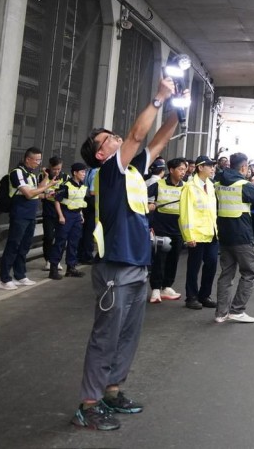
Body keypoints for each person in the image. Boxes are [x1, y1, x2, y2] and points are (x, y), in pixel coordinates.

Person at [72, 77, 182, 431]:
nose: (118, 136)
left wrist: (177, 108)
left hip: (137, 264)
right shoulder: (107, 170)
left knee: (128, 335)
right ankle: (88, 404)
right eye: (109, 138)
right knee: (105, 336)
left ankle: (112, 390)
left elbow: (160, 138)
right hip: (115, 267)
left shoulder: (132, 171)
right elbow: (136, 137)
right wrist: (158, 97)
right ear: (101, 153)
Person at [213, 153, 254, 323]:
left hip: (224, 235)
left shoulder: (218, 183)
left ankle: (221, 313)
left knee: (226, 274)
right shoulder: (243, 185)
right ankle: (237, 310)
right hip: (242, 235)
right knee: (249, 272)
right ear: (243, 167)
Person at [0, 147, 58, 290]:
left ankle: (20, 275)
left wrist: (46, 180)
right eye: (36, 160)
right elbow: (29, 194)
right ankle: (4, 278)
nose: (38, 162)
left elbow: (36, 192)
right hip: (20, 215)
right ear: (27, 159)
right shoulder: (17, 173)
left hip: (30, 215)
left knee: (24, 246)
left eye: (40, 160)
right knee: (13, 245)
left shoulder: (31, 175)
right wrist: (48, 185)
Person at [180, 155, 218, 310]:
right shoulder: (190, 187)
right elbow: (186, 213)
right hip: (196, 234)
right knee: (193, 268)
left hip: (211, 232)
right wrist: (189, 236)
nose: (212, 169)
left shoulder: (210, 185)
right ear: (200, 167)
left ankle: (204, 295)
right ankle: (191, 297)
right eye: (209, 166)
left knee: (211, 265)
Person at [147, 157, 186, 303]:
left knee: (174, 259)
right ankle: (156, 289)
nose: (183, 172)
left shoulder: (186, 187)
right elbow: (144, 198)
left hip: (179, 229)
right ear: (171, 170)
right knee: (159, 258)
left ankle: (167, 286)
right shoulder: (158, 185)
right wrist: (150, 205)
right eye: (180, 169)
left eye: (184, 169)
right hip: (161, 228)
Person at [48, 162, 88, 280]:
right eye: (82, 172)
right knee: (60, 242)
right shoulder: (66, 185)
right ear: (75, 173)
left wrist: (81, 215)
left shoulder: (82, 185)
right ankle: (53, 269)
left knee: (74, 242)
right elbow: (56, 200)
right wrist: (60, 216)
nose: (84, 174)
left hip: (76, 215)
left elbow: (79, 202)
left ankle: (71, 268)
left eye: (84, 172)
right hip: (66, 215)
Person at [41, 156, 67, 271]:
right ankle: (48, 260)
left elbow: (68, 193)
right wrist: (47, 195)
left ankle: (56, 260)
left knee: (60, 237)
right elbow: (36, 192)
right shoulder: (42, 176)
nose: (57, 171)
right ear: (50, 167)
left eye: (59, 169)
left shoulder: (65, 177)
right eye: (54, 169)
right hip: (48, 210)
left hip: (61, 210)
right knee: (48, 237)